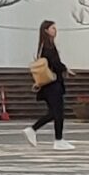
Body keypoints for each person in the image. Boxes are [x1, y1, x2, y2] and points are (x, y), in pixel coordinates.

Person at [25, 20, 71, 150]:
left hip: (49, 85)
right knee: (58, 112)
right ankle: (58, 140)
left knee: (54, 112)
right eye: (52, 28)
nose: (55, 30)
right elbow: (55, 63)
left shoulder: (45, 45)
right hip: (53, 84)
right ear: (46, 30)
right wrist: (65, 68)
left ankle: (33, 130)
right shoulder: (48, 47)